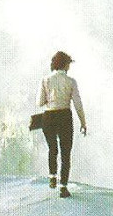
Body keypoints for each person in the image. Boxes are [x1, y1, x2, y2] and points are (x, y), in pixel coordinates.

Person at [37, 51, 87, 198]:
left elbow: (39, 102)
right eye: (69, 64)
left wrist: (51, 99)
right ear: (65, 64)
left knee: (52, 148)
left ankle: (52, 176)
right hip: (65, 115)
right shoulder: (71, 81)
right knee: (66, 153)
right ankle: (63, 187)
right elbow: (78, 104)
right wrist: (83, 122)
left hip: (49, 116)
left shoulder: (45, 80)